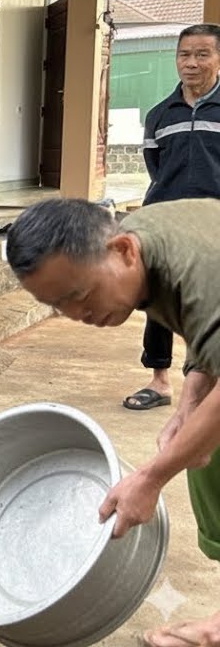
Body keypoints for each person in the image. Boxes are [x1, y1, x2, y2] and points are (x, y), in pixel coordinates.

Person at [6, 198, 220, 647]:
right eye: (57, 306)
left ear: (124, 251)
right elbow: (208, 332)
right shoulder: (140, 249)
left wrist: (151, 477)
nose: (77, 317)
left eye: (79, 296)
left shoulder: (198, 268)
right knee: (206, 457)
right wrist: (191, 399)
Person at [123, 24, 220, 412]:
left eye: (202, 54)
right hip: (166, 220)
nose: (191, 63)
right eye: (184, 55)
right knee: (158, 299)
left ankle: (206, 379)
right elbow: (156, 166)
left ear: (218, 58)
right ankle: (159, 381)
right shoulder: (160, 114)